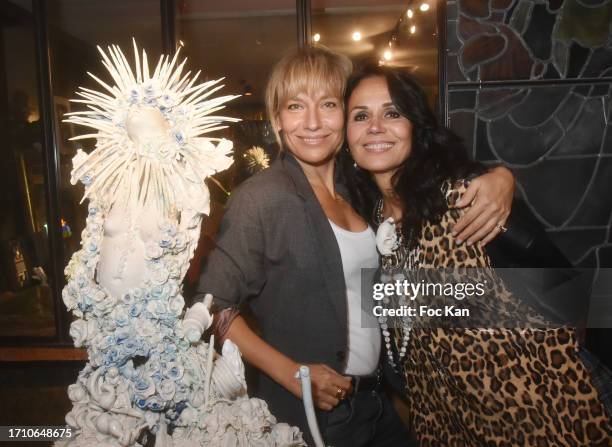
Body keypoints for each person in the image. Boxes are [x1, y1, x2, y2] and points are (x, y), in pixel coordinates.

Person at [195, 47, 514, 446]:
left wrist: (501, 176)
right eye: (296, 106)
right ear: (277, 118)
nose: (312, 122)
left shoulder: (360, 190)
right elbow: (212, 304)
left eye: (328, 104)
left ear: (345, 116)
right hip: (315, 418)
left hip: (380, 403)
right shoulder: (262, 197)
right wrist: (293, 373)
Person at [343, 63, 612, 446]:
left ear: (416, 127)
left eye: (392, 112)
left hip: (542, 416)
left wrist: (502, 178)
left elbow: (565, 286)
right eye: (360, 116)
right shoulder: (370, 221)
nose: (375, 127)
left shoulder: (463, 199)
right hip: (449, 424)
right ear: (348, 136)